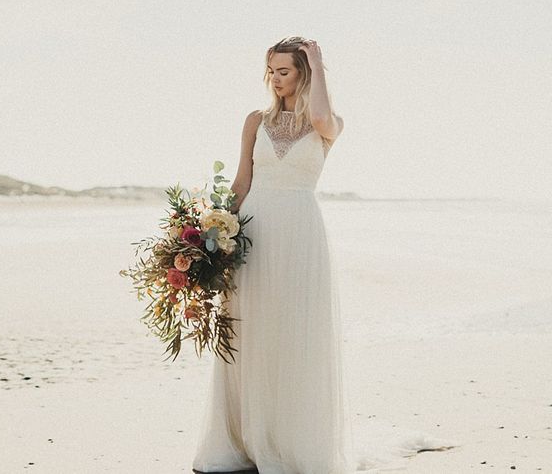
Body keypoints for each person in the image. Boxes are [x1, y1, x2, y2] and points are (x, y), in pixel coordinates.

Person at [191, 36, 456, 473]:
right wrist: (209, 240)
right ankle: (246, 440)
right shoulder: (255, 120)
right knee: (249, 331)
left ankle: (289, 440)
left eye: (286, 72)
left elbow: (316, 113)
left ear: (306, 74)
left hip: (299, 234)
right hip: (254, 231)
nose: (276, 81)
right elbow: (241, 182)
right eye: (272, 72)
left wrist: (316, 61)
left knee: (293, 334)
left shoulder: (328, 123)